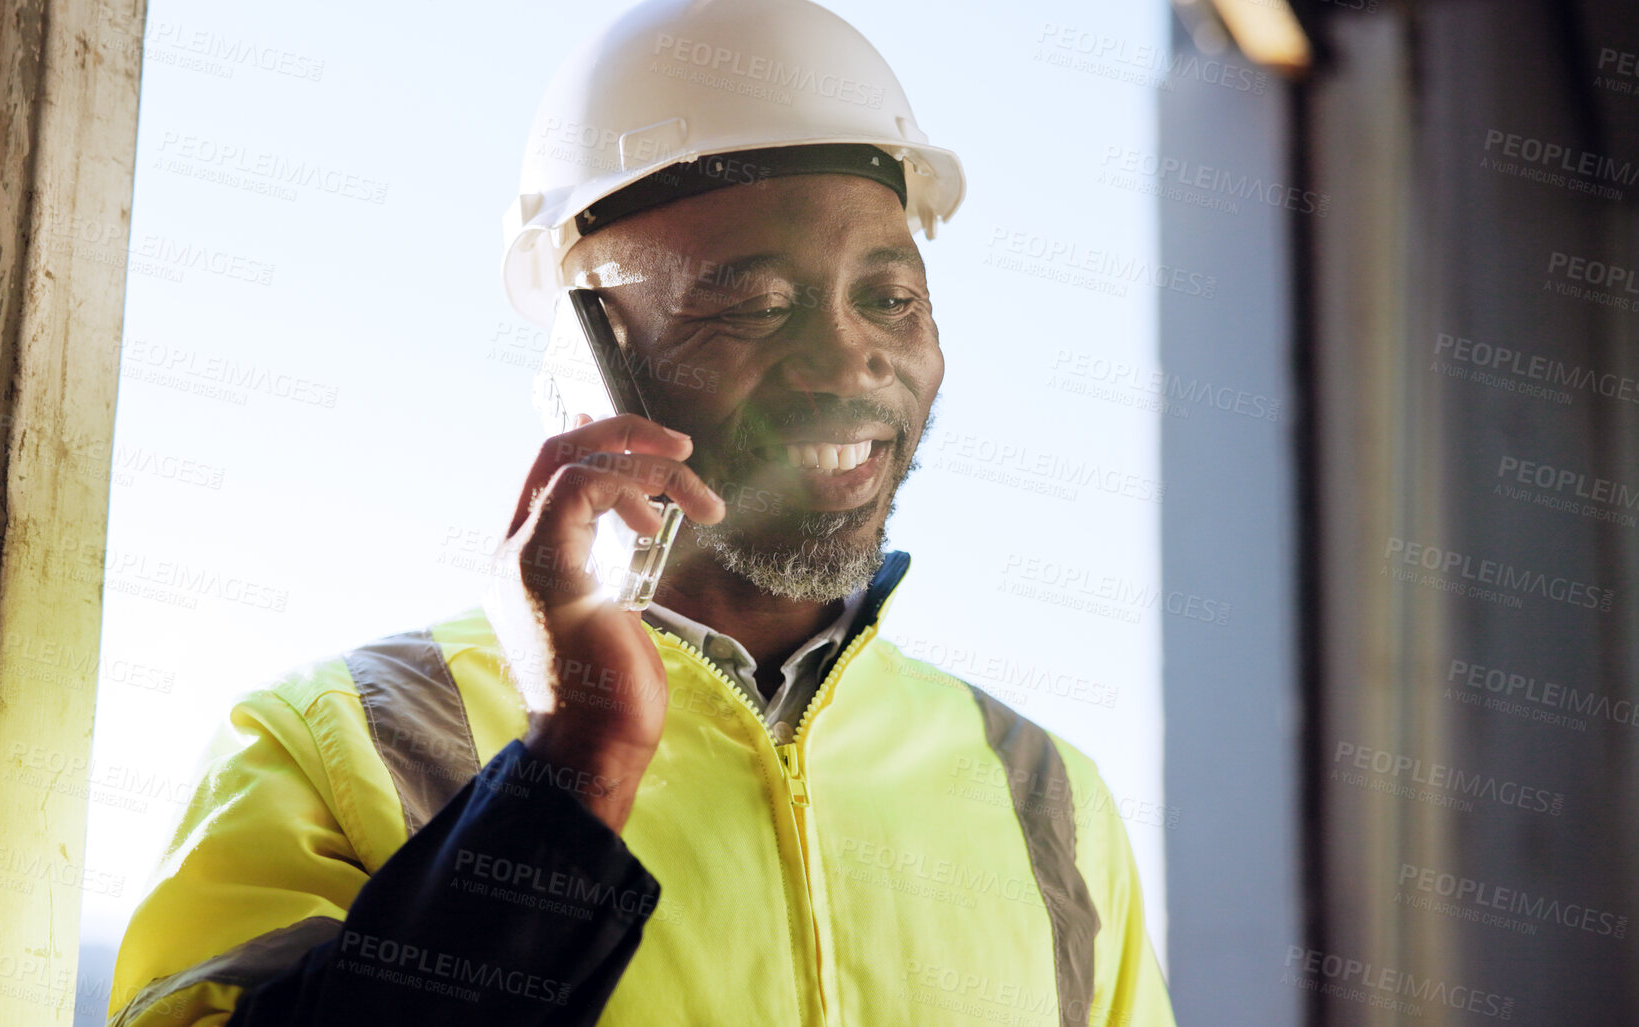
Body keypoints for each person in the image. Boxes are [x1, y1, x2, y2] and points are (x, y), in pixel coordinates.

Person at [107, 0, 1177, 1024]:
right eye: (756, 305)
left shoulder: (1051, 803)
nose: (856, 352)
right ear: (592, 359)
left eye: (892, 299)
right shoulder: (343, 743)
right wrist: (573, 768)